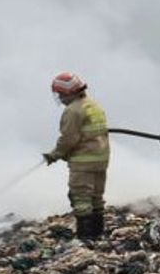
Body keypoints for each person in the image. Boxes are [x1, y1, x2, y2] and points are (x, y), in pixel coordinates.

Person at [43, 72, 110, 241]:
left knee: (80, 197)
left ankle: (85, 236)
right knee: (96, 197)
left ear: (68, 93)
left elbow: (68, 139)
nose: (60, 98)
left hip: (83, 162)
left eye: (60, 94)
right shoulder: (94, 106)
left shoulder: (73, 111)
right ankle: (98, 233)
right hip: (101, 160)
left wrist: (54, 155)